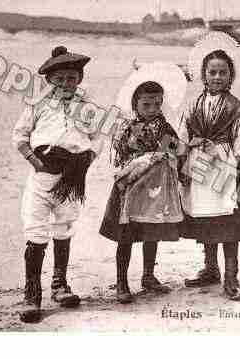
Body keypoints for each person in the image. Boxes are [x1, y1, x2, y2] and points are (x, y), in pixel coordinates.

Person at [12, 46, 103, 322]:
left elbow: (98, 136)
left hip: (72, 176)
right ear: (49, 80)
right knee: (36, 230)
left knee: (64, 226)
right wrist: (38, 163)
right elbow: (19, 136)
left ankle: (60, 284)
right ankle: (32, 294)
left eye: (72, 78)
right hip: (44, 174)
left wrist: (88, 157)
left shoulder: (88, 107)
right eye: (60, 78)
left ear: (80, 79)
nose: (66, 84)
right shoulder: (38, 104)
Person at [99, 63, 187, 304]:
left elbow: (175, 151)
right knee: (126, 235)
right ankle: (121, 281)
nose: (152, 109)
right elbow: (119, 159)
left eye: (157, 103)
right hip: (132, 186)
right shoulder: (127, 128)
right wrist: (145, 159)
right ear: (135, 103)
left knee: (152, 232)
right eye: (146, 104)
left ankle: (148, 275)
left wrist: (173, 156)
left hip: (156, 189)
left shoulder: (166, 127)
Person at [179, 33, 240, 301]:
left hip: (226, 170)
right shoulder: (192, 105)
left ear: (230, 77)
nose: (217, 77)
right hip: (200, 168)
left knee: (230, 223)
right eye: (212, 72)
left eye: (222, 72)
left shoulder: (237, 108)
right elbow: (180, 137)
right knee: (206, 220)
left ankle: (231, 277)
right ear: (203, 76)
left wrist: (219, 150)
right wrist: (187, 150)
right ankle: (210, 268)